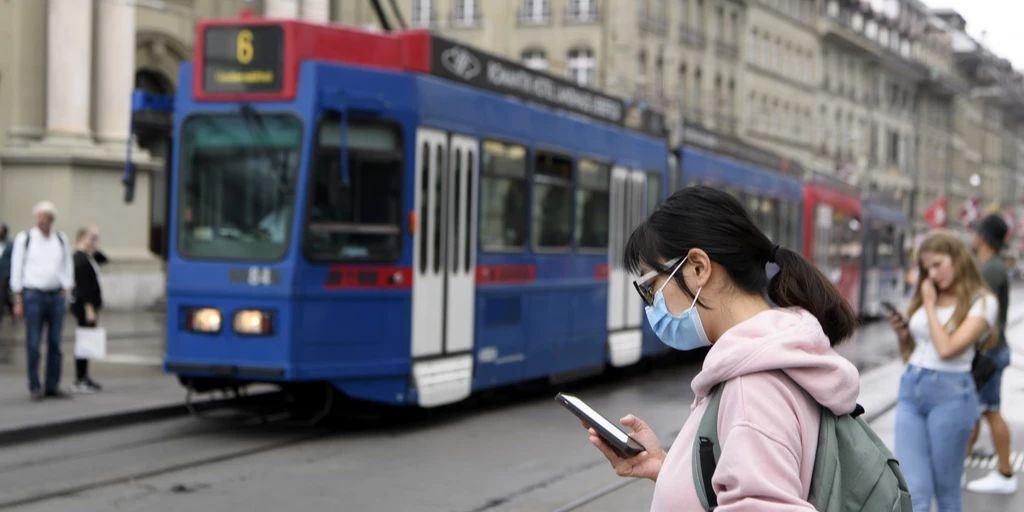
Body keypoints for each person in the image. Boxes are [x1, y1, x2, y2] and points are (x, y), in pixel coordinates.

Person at [583, 186, 860, 510]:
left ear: (698, 267)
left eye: (651, 287)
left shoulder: (752, 389)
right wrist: (667, 468)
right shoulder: (775, 357)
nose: (651, 304)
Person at [887, 231, 998, 512]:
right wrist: (903, 335)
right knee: (914, 491)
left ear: (957, 258)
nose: (932, 274)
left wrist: (929, 305)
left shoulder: (983, 302)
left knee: (946, 493)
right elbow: (915, 353)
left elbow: (948, 349)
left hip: (951, 394)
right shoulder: (930, 295)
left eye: (938, 265)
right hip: (912, 388)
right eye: (927, 269)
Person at [965, 214, 1017, 494]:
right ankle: (958, 465)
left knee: (990, 411)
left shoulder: (991, 269)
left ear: (984, 237)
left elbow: (975, 306)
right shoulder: (991, 266)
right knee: (977, 411)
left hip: (990, 353)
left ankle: (1006, 473)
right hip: (991, 352)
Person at [9, 201, 75, 401]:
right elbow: (17, 267)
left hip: (55, 296)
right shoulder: (25, 239)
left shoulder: (61, 239)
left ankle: (52, 385)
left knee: (55, 343)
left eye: (44, 217)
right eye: (37, 217)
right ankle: (35, 385)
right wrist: (18, 298)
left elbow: (67, 265)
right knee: (33, 343)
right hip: (33, 295)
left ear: (51, 219)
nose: (40, 221)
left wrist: (66, 288)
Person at [71, 226, 106, 393]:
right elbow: (83, 287)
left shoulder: (88, 257)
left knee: (87, 342)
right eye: (91, 238)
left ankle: (84, 377)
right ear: (81, 238)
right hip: (85, 307)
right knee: (84, 342)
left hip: (89, 306)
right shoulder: (80, 259)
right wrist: (89, 308)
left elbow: (104, 260)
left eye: (96, 238)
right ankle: (80, 379)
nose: (94, 241)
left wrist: (95, 247)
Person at [0, 223, 11, 324]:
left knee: (2, 294)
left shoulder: (10, 244)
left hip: (5, 273)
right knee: (5, 295)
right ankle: (12, 309)